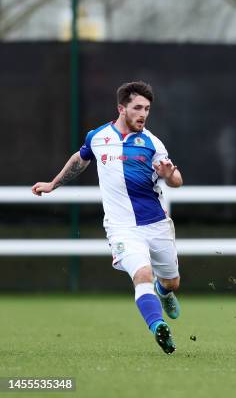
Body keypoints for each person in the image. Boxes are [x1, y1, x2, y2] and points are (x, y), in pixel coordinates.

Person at [32, 81, 182, 355]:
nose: (143, 114)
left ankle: (165, 292)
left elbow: (177, 180)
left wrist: (169, 174)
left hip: (156, 224)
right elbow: (80, 159)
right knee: (142, 274)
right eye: (137, 107)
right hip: (121, 228)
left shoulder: (152, 143)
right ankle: (158, 326)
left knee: (171, 281)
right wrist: (53, 184)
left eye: (147, 109)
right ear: (121, 108)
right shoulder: (98, 137)